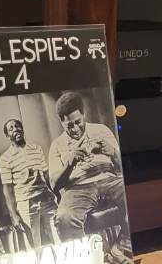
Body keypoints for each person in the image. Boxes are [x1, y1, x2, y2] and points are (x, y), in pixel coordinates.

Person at [47, 91, 125, 241]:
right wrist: (69, 163)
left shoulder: (101, 130)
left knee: (132, 194)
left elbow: (124, 166)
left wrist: (113, 152)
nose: (75, 129)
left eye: (78, 122)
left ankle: (122, 247)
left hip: (109, 179)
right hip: (78, 187)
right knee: (64, 218)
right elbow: (54, 184)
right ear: (62, 122)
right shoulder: (56, 145)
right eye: (69, 125)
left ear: (83, 114)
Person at [0, 118, 57, 249]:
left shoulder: (36, 148)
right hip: (26, 204)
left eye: (18, 126)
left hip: (46, 199)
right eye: (11, 129)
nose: (16, 129)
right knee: (35, 245)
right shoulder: (5, 158)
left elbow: (46, 175)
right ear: (7, 135)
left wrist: (55, 195)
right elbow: (7, 189)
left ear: (23, 129)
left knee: (57, 237)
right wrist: (14, 215)